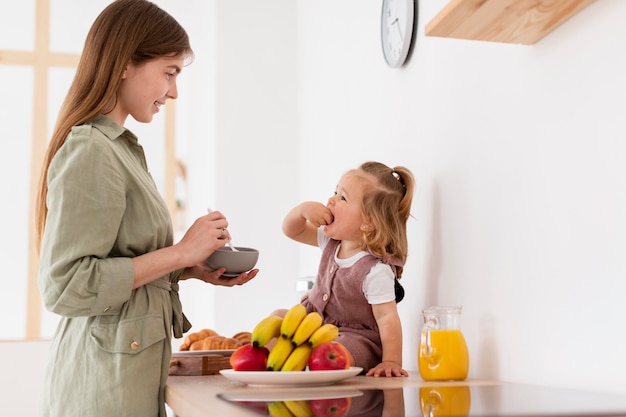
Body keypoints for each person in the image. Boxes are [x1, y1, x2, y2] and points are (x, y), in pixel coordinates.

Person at [35, 1, 258, 416]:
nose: (173, 92)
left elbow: (121, 266)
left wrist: (191, 269)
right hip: (101, 392)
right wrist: (180, 252)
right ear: (125, 64)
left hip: (122, 382)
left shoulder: (121, 150)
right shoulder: (91, 150)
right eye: (169, 73)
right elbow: (65, 285)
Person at [282, 161, 414, 377]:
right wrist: (301, 210)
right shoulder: (330, 241)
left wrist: (391, 361)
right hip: (313, 323)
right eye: (334, 192)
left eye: (342, 197)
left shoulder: (375, 270)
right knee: (278, 319)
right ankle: (276, 365)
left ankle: (308, 362)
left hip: (354, 338)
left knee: (336, 352)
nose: (331, 200)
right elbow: (291, 230)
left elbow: (387, 318)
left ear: (368, 222)